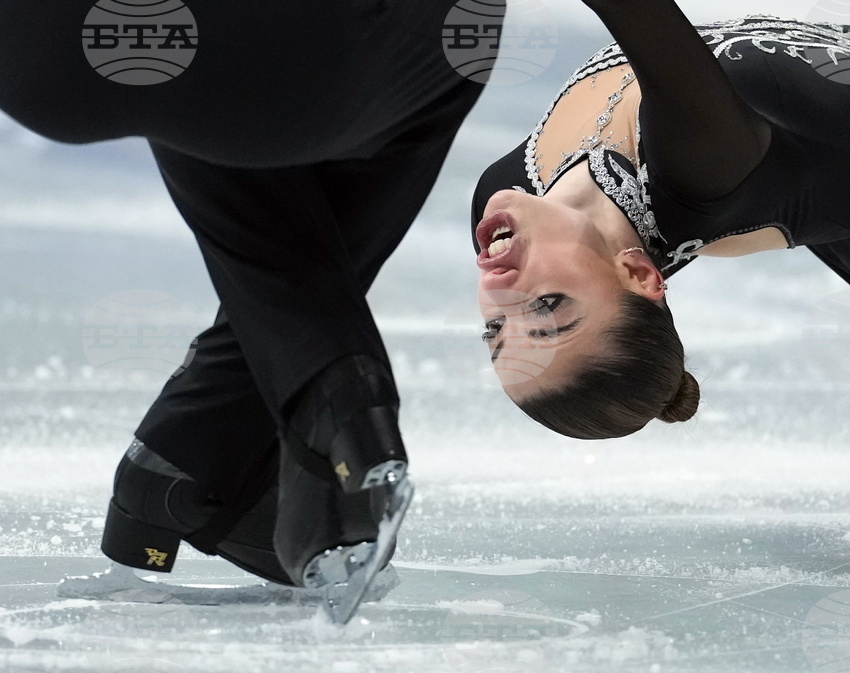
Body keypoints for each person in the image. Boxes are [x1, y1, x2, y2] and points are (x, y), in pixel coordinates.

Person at [0, 0, 500, 620]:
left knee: (189, 77)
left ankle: (198, 450)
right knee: (462, 32)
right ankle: (328, 405)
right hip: (295, 65)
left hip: (42, 53)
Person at [470, 1, 850, 440]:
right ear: (637, 274)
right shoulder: (704, 171)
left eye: (495, 328)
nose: (501, 293)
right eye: (546, 307)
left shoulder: (503, 201)